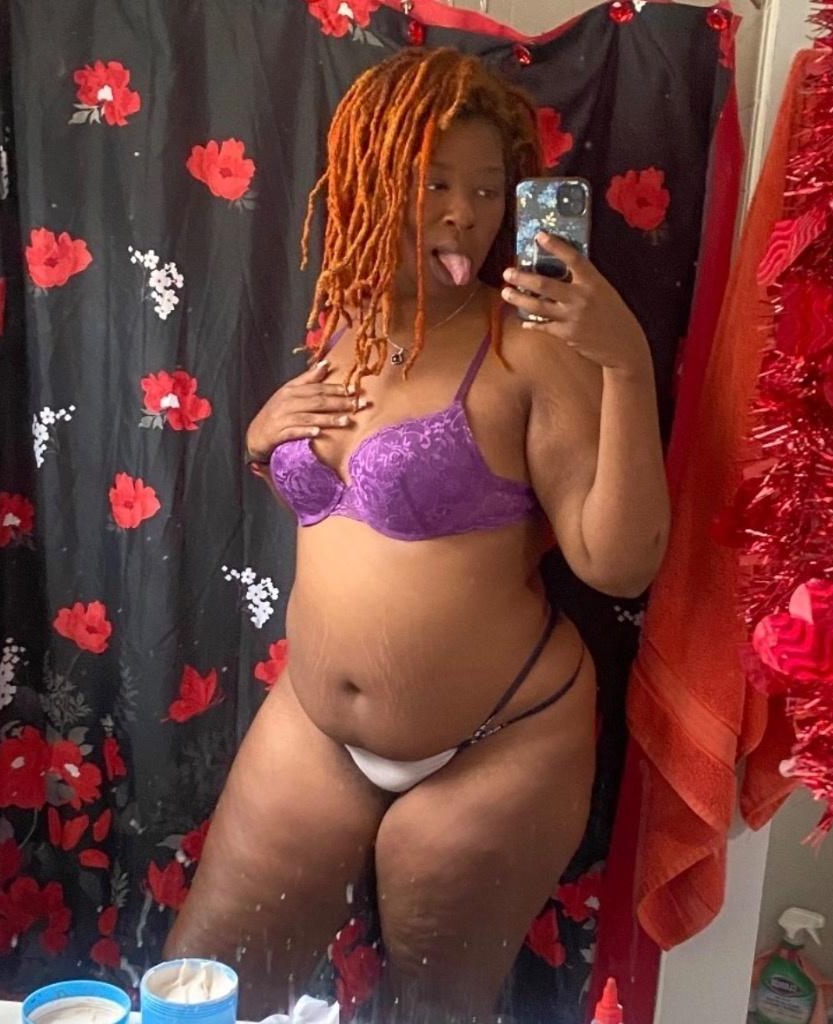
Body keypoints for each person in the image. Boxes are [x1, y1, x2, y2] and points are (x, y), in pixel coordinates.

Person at [165, 47, 670, 1023]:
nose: (463, 213)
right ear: (371, 179)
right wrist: (262, 444)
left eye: (485, 189)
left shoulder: (528, 347)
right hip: (315, 729)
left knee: (434, 1010)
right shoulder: (347, 318)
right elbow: (349, 515)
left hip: (499, 741)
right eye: (435, 183)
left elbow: (619, 564)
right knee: (201, 992)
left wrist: (624, 365)